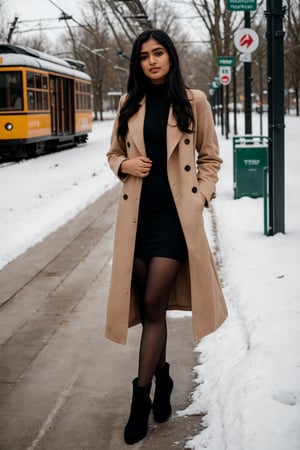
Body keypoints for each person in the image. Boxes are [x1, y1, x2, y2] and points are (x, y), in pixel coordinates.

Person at [105, 29, 228, 445]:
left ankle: (139, 400)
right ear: (138, 64)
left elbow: (210, 157)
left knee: (155, 303)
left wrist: (201, 198)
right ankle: (163, 378)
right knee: (147, 308)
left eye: (158, 53)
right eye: (144, 56)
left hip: (177, 219)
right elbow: (112, 153)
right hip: (137, 218)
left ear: (171, 57)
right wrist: (126, 165)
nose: (152, 61)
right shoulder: (128, 104)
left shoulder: (193, 101)